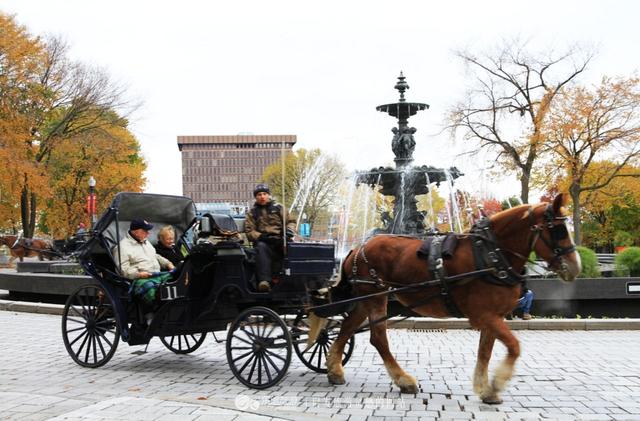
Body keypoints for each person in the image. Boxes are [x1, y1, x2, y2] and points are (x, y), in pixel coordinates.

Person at [245, 184, 296, 292]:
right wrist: (262, 236)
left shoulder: (279, 208)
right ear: (256, 197)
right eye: (259, 194)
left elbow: (291, 222)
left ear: (269, 195)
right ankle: (264, 282)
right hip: (264, 243)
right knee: (261, 247)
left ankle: (297, 279)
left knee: (295, 249)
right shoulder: (252, 213)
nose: (262, 196)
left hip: (280, 240)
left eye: (264, 194)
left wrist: (288, 232)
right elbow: (249, 231)